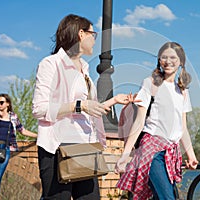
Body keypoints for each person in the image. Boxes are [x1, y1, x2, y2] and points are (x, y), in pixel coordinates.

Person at [32, 14, 136, 200]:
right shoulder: (50, 64)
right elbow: (39, 109)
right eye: (93, 34)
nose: (94, 40)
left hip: (85, 148)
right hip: (57, 149)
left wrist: (113, 101)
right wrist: (79, 106)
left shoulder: (85, 69)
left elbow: (87, 110)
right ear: (81, 34)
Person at [115, 42, 199, 200]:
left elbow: (183, 128)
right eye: (164, 57)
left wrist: (191, 155)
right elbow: (139, 122)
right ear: (159, 61)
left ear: (181, 61)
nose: (168, 61)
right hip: (152, 151)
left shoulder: (182, 91)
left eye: (173, 57)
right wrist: (125, 155)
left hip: (171, 153)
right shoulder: (150, 84)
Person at [0, 93, 37, 200]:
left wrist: (38, 136)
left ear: (7, 103)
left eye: (2, 102)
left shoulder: (13, 117)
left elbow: (22, 130)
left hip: (5, 149)